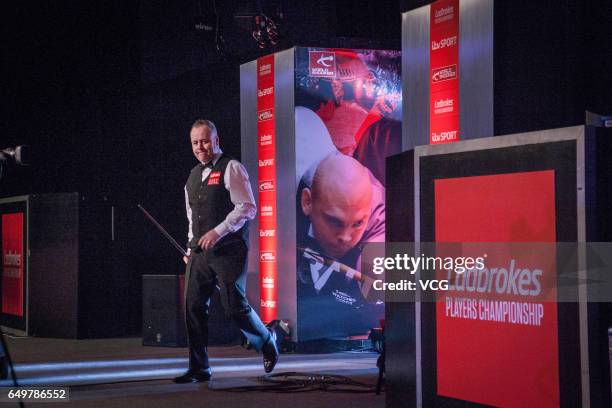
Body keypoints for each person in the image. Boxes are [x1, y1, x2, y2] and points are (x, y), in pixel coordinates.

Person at [174, 119, 278, 383]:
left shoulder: (232, 167)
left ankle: (267, 339)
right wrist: (190, 246)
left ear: (216, 140)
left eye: (205, 141)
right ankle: (200, 367)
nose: (201, 147)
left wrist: (217, 232)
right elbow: (191, 217)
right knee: (193, 308)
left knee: (234, 308)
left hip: (229, 250)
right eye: (195, 143)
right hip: (199, 252)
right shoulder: (192, 176)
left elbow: (247, 207)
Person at [296, 152, 385, 339]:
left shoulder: (378, 218)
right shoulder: (290, 195)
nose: (345, 238)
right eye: (334, 221)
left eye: (357, 223)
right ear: (307, 202)